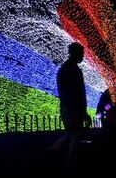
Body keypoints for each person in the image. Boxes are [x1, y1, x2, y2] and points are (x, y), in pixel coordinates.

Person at [50, 42, 89, 174]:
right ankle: (69, 165)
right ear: (76, 53)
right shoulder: (71, 70)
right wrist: (80, 111)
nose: (83, 57)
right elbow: (75, 92)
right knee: (75, 135)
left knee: (71, 134)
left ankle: (54, 152)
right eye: (82, 54)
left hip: (69, 108)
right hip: (73, 109)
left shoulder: (66, 69)